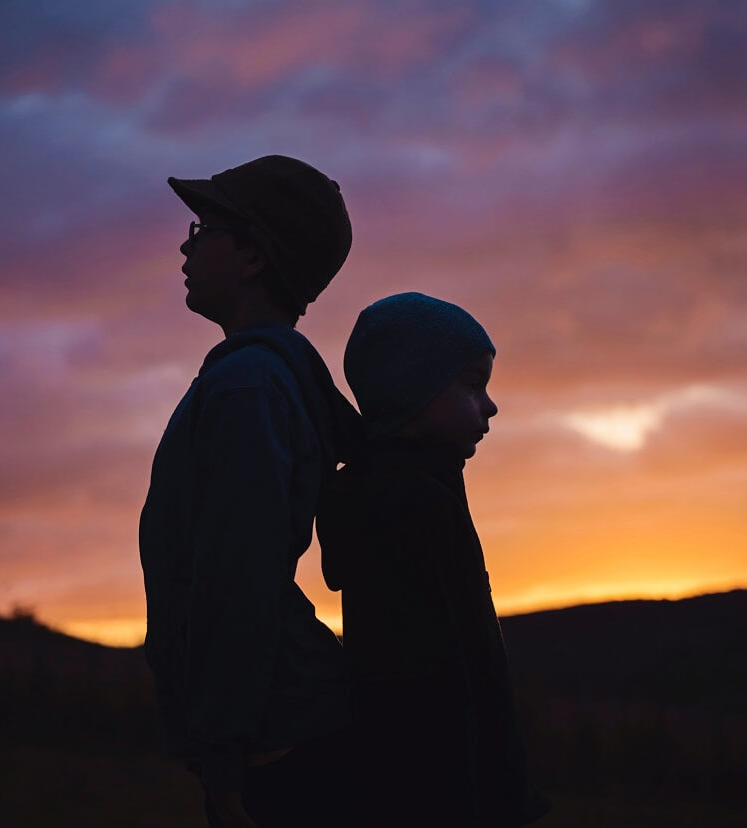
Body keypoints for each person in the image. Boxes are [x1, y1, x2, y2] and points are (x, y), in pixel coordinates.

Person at [139, 155, 360, 828]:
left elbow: (237, 576)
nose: (187, 241)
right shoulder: (264, 379)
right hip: (280, 732)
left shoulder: (246, 388)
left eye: (204, 226)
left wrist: (225, 755)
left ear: (254, 259)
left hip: (276, 746)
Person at [318, 292, 549, 827]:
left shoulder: (412, 488)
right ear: (411, 393)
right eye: (473, 386)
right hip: (439, 795)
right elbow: (438, 678)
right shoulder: (412, 503)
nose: (490, 405)